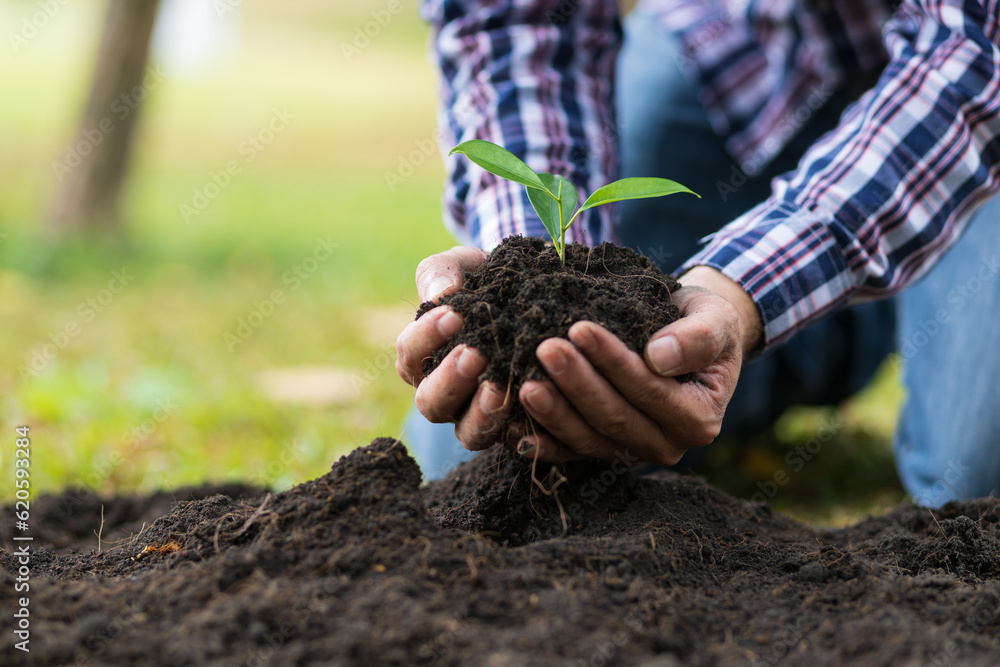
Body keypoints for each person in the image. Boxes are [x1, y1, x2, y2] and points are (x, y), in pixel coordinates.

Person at [396, 0, 1000, 506]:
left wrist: (739, 297)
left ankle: (895, 280)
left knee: (975, 477)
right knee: (482, 449)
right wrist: (532, 267)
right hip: (745, 49)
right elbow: (515, 21)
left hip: (970, 88)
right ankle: (843, 318)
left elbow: (976, 56)